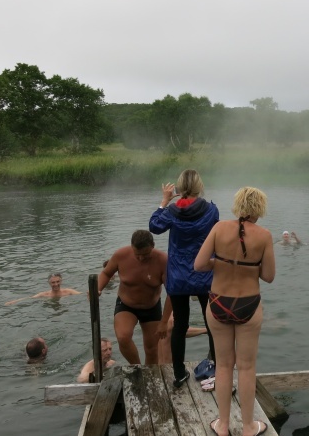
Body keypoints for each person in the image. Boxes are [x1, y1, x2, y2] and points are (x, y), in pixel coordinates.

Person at [194, 186, 275, 436]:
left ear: (238, 205)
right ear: (260, 209)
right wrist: (249, 265)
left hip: (218, 302)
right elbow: (268, 276)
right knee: (247, 367)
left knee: (223, 366)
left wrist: (221, 262)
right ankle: (249, 427)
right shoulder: (264, 235)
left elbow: (198, 265)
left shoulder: (219, 229)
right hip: (249, 305)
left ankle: (223, 425)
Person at [149, 169, 219, 387]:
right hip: (204, 271)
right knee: (212, 323)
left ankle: (179, 372)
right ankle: (215, 366)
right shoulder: (210, 210)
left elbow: (154, 226)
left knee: (180, 324)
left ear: (178, 187)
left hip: (179, 274)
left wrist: (164, 200)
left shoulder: (171, 211)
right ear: (200, 186)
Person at [97, 230, 167, 365]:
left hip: (151, 307)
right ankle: (137, 367)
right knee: (123, 337)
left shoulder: (163, 260)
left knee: (152, 349)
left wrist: (164, 321)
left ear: (152, 246)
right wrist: (98, 289)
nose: (141, 258)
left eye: (145, 254)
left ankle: (150, 375)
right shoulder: (121, 255)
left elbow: (172, 293)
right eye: (137, 255)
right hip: (126, 305)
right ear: (132, 247)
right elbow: (106, 273)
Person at [6, 273, 81, 305]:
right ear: (49, 283)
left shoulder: (68, 292)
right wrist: (15, 301)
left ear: (61, 281)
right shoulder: (45, 294)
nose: (56, 284)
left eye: (58, 281)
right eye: (53, 282)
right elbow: (30, 298)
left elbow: (81, 294)